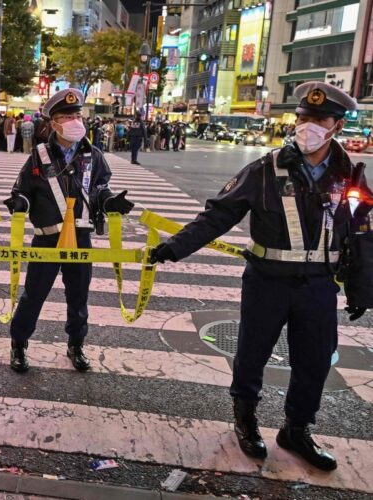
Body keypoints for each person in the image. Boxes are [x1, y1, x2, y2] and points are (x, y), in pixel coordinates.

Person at [149, 82, 371, 471]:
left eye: (319, 120)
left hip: (318, 285)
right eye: (304, 118)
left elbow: (362, 231)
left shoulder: (348, 174)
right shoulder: (265, 169)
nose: (309, 127)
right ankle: (246, 420)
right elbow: (219, 214)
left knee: (315, 360)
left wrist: (362, 287)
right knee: (252, 353)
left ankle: (296, 429)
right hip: (267, 280)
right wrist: (177, 246)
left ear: (336, 125)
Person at [3, 89, 135, 373]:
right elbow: (23, 189)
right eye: (66, 116)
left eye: (77, 115)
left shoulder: (93, 155)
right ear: (53, 123)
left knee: (78, 295)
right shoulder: (39, 155)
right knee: (33, 295)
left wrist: (111, 201)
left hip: (81, 237)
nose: (75, 120)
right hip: (47, 237)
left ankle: (76, 344)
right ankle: (18, 344)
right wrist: (19, 202)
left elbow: (99, 188)